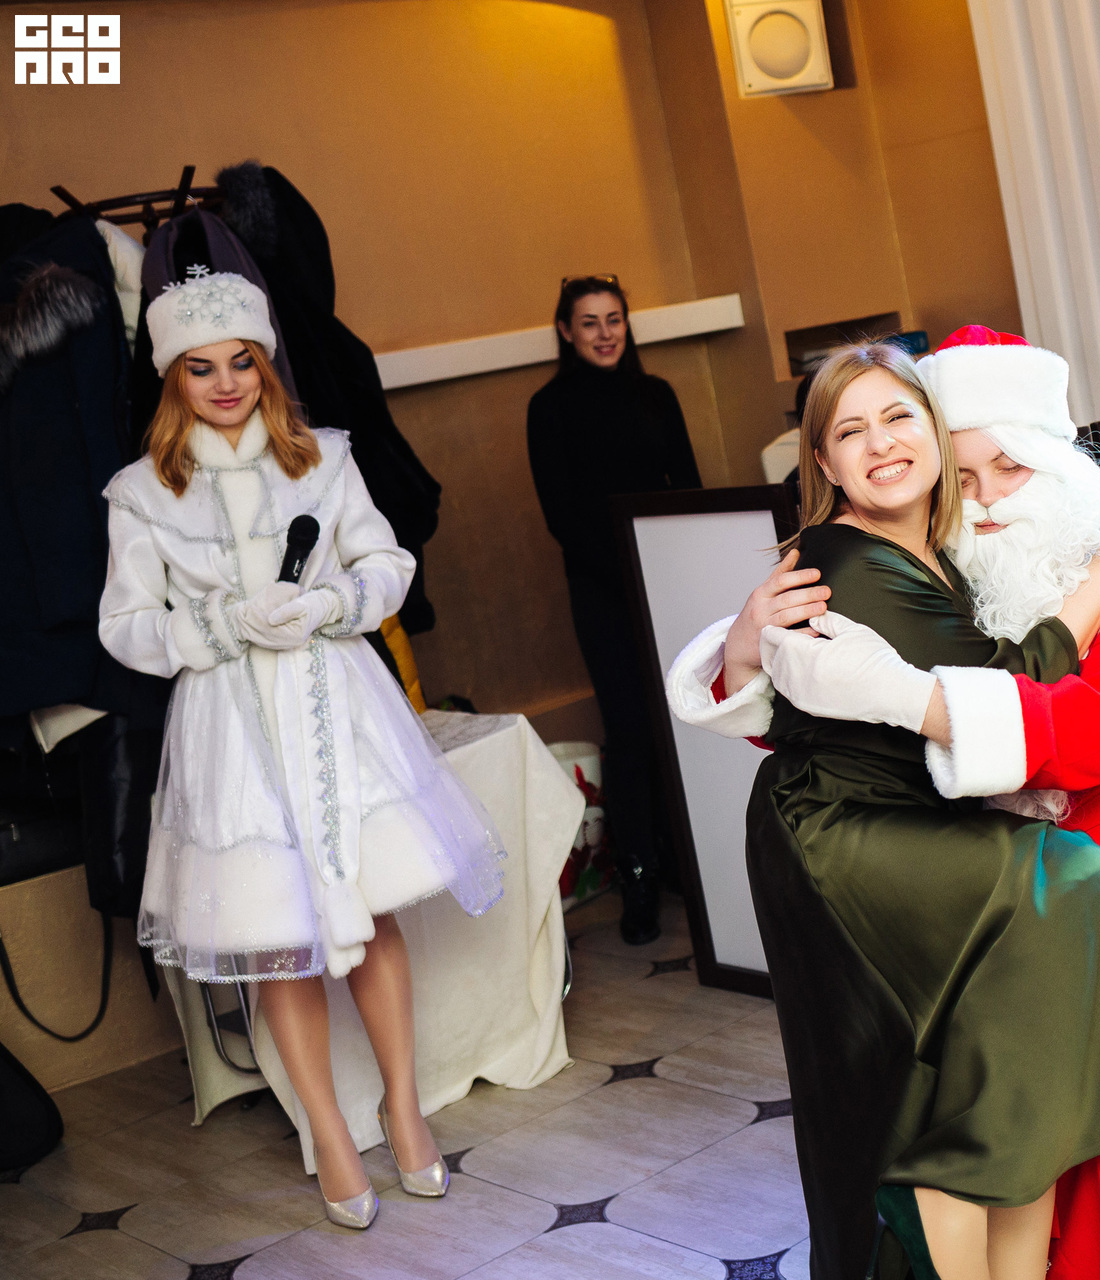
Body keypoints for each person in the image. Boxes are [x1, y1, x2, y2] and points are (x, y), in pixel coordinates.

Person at [674, 326, 1100, 1278]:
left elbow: (1088, 730)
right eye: (967, 476)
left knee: (1092, 1022)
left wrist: (905, 696)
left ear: (1059, 464)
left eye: (1010, 469)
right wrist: (751, 643)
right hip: (967, 861)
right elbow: (831, 724)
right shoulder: (948, 570)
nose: (987, 498)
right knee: (1000, 1039)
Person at [98, 273, 506, 1230]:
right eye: (201, 368)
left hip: (336, 704)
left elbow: (387, 564)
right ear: (173, 378)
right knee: (279, 939)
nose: (226, 384)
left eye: (241, 362)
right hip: (228, 726)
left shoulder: (323, 458)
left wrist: (329, 603)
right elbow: (124, 626)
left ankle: (402, 1107)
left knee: (371, 911)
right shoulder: (142, 492)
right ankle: (329, 1133)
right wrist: (220, 624)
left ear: (265, 364)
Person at [526, 274, 701, 945]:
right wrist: (628, 572)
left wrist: (676, 569)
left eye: (615, 319)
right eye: (589, 322)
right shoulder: (550, 407)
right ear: (565, 332)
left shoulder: (658, 395)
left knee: (680, 718)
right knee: (629, 731)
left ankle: (687, 863)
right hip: (602, 591)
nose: (605, 334)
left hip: (668, 578)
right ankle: (638, 877)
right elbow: (561, 515)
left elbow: (687, 488)